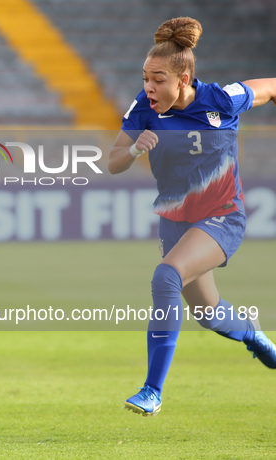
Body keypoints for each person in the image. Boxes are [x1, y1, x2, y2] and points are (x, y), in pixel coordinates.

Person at [108, 17, 276, 417]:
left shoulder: (222, 99)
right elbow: (112, 161)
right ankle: (254, 335)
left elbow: (270, 87)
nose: (149, 87)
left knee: (165, 276)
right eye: (145, 77)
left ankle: (151, 390)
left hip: (222, 216)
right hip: (175, 220)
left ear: (184, 79)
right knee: (209, 313)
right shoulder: (143, 108)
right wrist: (133, 152)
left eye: (158, 79)